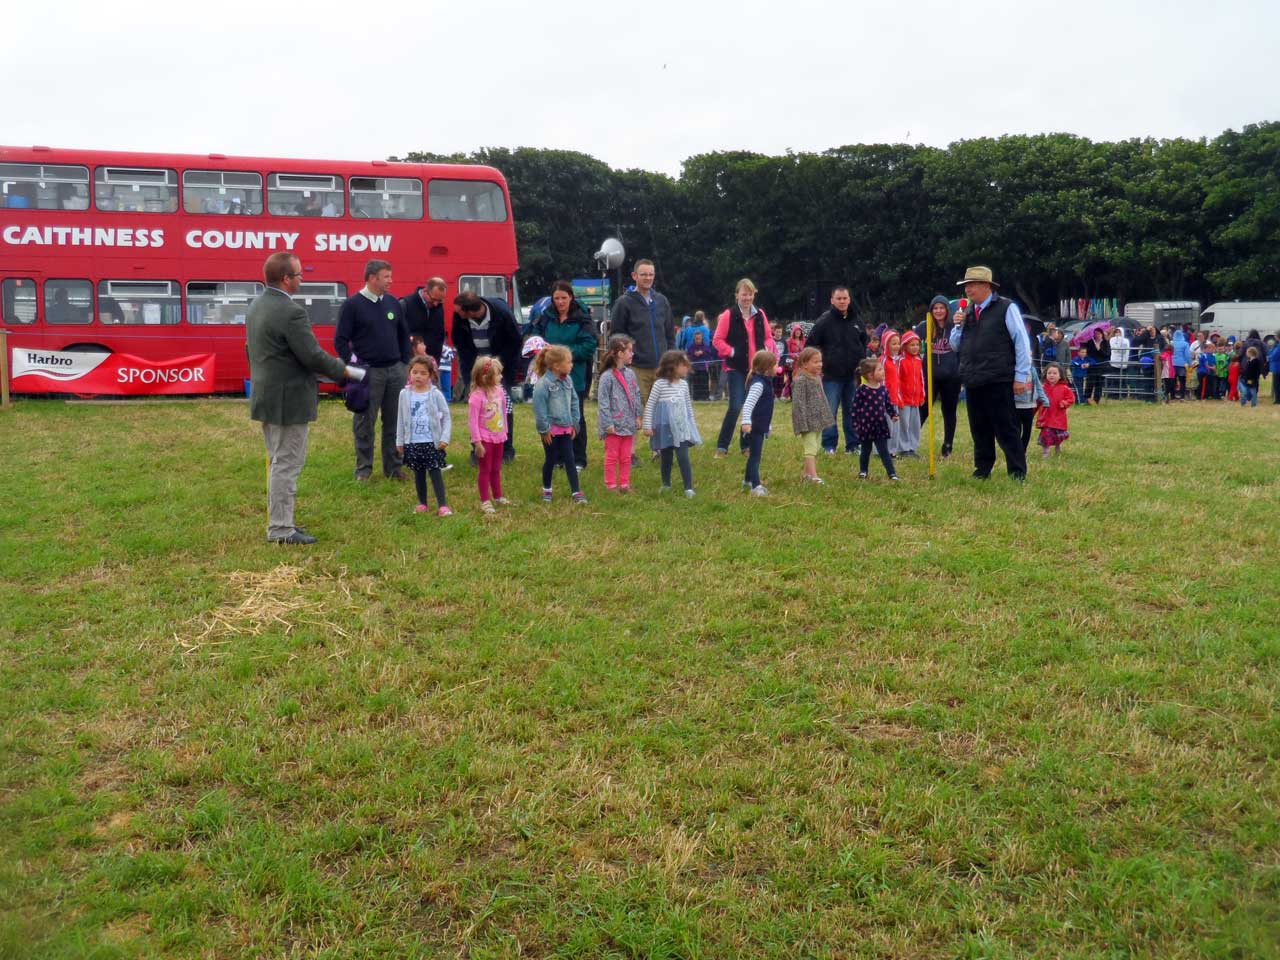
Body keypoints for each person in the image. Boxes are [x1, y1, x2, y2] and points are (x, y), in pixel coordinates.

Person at [246, 251, 360, 545]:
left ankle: (281, 520)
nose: (302, 279)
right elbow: (311, 355)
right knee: (287, 464)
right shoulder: (291, 311)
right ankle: (281, 529)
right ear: (286, 279)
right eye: (299, 275)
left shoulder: (257, 305)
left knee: (277, 461)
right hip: (289, 399)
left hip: (267, 395)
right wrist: (347, 371)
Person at [948, 266, 1034, 481]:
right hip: (973, 378)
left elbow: (1021, 342)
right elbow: (955, 345)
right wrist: (957, 326)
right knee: (979, 428)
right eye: (966, 285)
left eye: (972, 285)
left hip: (999, 377)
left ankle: (1017, 471)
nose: (967, 289)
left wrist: (1021, 376)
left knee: (1006, 427)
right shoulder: (967, 313)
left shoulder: (1006, 308)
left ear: (986, 286)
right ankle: (982, 468)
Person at [334, 259, 411, 481]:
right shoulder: (353, 305)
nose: (391, 280)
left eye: (390, 276)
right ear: (372, 278)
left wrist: (404, 363)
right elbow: (340, 340)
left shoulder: (393, 303)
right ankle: (364, 470)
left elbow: (403, 335)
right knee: (364, 422)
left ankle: (394, 468)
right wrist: (356, 364)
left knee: (394, 422)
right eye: (386, 276)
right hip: (369, 374)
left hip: (395, 371)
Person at [531, 281, 598, 471]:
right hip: (549, 377)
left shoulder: (583, 318)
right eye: (556, 298)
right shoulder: (545, 316)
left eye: (564, 298)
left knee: (575, 415)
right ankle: (556, 457)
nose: (560, 302)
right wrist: (539, 346)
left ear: (571, 298)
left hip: (574, 376)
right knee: (552, 416)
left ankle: (578, 458)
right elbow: (534, 335)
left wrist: (562, 355)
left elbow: (589, 345)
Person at [451, 289, 522, 461]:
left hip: (500, 367)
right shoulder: (461, 318)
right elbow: (461, 345)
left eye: (460, 312)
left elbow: (515, 342)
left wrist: (496, 365)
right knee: (477, 407)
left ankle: (505, 449)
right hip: (475, 366)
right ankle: (478, 448)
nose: (457, 314)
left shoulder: (502, 314)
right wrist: (471, 377)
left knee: (502, 407)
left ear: (471, 311)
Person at [712, 279, 776, 457]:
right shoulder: (728, 315)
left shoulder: (760, 314)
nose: (747, 297)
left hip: (756, 370)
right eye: (744, 294)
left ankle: (746, 446)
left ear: (754, 295)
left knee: (753, 406)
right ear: (737, 295)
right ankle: (722, 447)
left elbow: (769, 338)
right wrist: (731, 351)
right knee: (735, 406)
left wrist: (767, 349)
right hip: (736, 369)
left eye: (750, 294)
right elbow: (717, 340)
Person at [806, 286, 867, 455]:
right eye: (838, 298)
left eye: (845, 298)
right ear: (832, 300)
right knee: (830, 411)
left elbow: (864, 342)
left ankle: (853, 445)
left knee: (852, 410)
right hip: (831, 376)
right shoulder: (824, 321)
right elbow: (810, 344)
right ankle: (829, 445)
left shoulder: (856, 320)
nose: (842, 301)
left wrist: (861, 362)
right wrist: (817, 365)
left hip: (853, 375)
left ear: (849, 300)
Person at [609, 259, 674, 401]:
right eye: (644, 274)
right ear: (634, 276)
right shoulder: (624, 303)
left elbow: (669, 334)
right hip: (637, 368)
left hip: (661, 369)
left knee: (663, 413)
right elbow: (616, 336)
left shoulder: (662, 301)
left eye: (651, 274)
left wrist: (670, 360)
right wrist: (626, 360)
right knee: (639, 413)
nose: (648, 278)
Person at [395, 356, 452, 516]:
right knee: (418, 474)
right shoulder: (404, 395)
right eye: (415, 372)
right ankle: (422, 503)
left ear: (430, 376)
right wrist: (400, 441)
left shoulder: (436, 394)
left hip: (432, 443)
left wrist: (444, 438)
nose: (418, 376)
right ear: (409, 374)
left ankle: (442, 505)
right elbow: (400, 418)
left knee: (435, 473)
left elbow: (447, 417)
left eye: (423, 373)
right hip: (413, 443)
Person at [532, 345, 586, 504]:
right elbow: (539, 409)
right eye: (569, 362)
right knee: (551, 459)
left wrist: (575, 423)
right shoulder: (543, 384)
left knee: (570, 459)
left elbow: (575, 401)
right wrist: (544, 430)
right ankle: (547, 489)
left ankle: (576, 491)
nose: (572, 365)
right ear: (556, 365)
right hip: (551, 432)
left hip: (566, 429)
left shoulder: (568, 380)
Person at [642, 350, 700, 497]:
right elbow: (650, 405)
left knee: (683, 457)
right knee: (666, 457)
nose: (686, 368)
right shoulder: (659, 384)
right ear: (672, 366)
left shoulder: (684, 385)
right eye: (683, 365)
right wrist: (647, 425)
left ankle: (688, 487)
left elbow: (688, 407)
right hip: (664, 429)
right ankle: (666, 484)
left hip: (680, 429)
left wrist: (691, 425)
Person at [914, 295, 961, 458]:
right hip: (929, 376)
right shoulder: (924, 326)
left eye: (942, 308)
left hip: (951, 377)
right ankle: (910, 444)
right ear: (931, 310)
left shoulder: (954, 327)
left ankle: (948, 445)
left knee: (949, 411)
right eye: (935, 308)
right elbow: (910, 341)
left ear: (947, 310)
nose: (938, 311)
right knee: (922, 409)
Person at [597, 335, 643, 493]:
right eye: (629, 350)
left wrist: (638, 415)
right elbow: (603, 403)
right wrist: (607, 424)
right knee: (612, 457)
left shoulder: (631, 374)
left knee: (626, 457)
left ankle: (624, 484)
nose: (632, 354)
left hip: (628, 423)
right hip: (614, 426)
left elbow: (636, 395)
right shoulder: (606, 377)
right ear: (619, 353)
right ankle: (610, 485)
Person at [468, 357, 511, 514]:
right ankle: (485, 500)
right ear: (485, 377)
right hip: (485, 439)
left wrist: (504, 432)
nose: (501, 377)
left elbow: (503, 413)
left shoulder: (500, 391)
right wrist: (477, 443)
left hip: (498, 436)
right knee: (485, 469)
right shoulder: (476, 397)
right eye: (498, 374)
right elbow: (472, 422)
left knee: (496, 468)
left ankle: (498, 496)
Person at [790, 347, 835, 485]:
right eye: (815, 362)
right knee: (810, 449)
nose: (820, 364)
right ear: (804, 364)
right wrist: (802, 424)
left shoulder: (816, 378)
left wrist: (825, 417)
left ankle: (806, 475)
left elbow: (822, 400)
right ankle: (814, 476)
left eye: (820, 361)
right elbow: (798, 404)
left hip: (817, 421)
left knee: (814, 447)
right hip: (807, 423)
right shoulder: (801, 381)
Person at [852, 358, 899, 481]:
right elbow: (855, 408)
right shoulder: (862, 390)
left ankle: (892, 473)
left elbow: (888, 404)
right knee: (865, 451)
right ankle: (863, 471)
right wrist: (856, 424)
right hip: (866, 426)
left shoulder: (883, 389)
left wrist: (893, 414)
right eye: (880, 370)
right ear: (870, 375)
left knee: (884, 451)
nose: (883, 372)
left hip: (880, 426)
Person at [739, 350, 778, 496]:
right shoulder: (758, 384)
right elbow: (748, 404)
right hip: (753, 427)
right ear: (767, 367)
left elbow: (765, 408)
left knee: (754, 455)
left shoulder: (766, 382)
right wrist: (746, 422)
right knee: (755, 456)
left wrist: (768, 425)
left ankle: (747, 481)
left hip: (760, 426)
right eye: (775, 365)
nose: (777, 367)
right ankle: (756, 486)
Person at [401, 277, 447, 363]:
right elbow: (399, 332)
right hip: (409, 361)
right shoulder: (406, 304)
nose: (436, 304)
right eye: (433, 299)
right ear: (425, 291)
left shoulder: (438, 308)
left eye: (440, 301)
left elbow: (440, 334)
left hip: (431, 362)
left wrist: (436, 361)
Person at [896, 330, 925, 458]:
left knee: (915, 424)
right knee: (904, 424)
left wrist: (922, 395)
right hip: (904, 399)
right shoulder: (901, 360)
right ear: (905, 346)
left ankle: (913, 447)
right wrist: (899, 397)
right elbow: (897, 379)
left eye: (917, 345)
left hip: (915, 399)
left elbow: (921, 379)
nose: (915, 348)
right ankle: (904, 448)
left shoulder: (918, 360)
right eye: (912, 345)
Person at [1035, 363, 1074, 457]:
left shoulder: (1065, 388)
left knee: (1058, 435)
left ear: (1060, 375)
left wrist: (1064, 403)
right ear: (1045, 374)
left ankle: (1058, 446)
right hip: (1046, 417)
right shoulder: (1042, 388)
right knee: (1046, 435)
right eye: (1049, 373)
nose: (1051, 375)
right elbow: (1037, 401)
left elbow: (1071, 399)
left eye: (1054, 373)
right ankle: (1046, 452)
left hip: (1059, 418)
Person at [1014, 363, 1049, 453]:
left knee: (1027, 430)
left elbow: (1038, 385)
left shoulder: (1032, 370)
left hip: (1029, 406)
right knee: (1016, 429)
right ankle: (1016, 449)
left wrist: (1044, 399)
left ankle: (1023, 450)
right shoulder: (1013, 369)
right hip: (1015, 405)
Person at [881, 330, 904, 455]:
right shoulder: (884, 360)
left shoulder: (896, 361)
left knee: (895, 427)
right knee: (887, 425)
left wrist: (899, 397)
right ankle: (884, 450)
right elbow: (882, 380)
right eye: (893, 343)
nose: (896, 346)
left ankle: (893, 450)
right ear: (886, 344)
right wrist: (883, 398)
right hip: (886, 400)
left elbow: (897, 381)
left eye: (898, 343)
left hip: (895, 398)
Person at [687, 330, 717, 400]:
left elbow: (709, 355)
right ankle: (696, 397)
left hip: (704, 368)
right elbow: (688, 356)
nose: (698, 340)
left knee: (704, 383)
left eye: (699, 338)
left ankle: (705, 397)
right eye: (696, 339)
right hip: (695, 369)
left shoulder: (706, 347)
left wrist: (702, 353)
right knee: (696, 384)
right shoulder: (691, 347)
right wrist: (694, 354)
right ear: (694, 338)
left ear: (702, 338)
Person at [1083, 327, 1110, 405]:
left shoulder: (1105, 342)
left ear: (1102, 334)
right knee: (1090, 383)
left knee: (1099, 384)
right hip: (1092, 366)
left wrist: (1099, 349)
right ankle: (1087, 399)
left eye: (1099, 334)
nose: (1097, 335)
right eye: (1095, 334)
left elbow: (1107, 354)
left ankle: (1096, 400)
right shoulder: (1090, 342)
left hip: (1102, 366)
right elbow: (1087, 352)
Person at [1110, 326, 1131, 397]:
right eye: (1116, 332)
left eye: (1119, 332)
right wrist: (1118, 346)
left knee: (1122, 379)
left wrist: (1119, 345)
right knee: (1114, 379)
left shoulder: (1126, 340)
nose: (1118, 333)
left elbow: (1124, 351)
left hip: (1123, 363)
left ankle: (1123, 394)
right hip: (1114, 362)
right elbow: (1114, 349)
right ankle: (1114, 395)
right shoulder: (1112, 339)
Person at [1172, 327, 1191, 400]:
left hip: (1172, 364)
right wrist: (1190, 363)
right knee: (1182, 381)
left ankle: (1173, 396)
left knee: (1173, 380)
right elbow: (1187, 355)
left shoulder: (1171, 343)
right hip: (1182, 365)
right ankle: (1182, 396)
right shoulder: (1185, 344)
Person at [1269, 336, 1280, 404]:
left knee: (1276, 384)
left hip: (1277, 368)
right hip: (1276, 367)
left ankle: (1278, 399)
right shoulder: (1277, 346)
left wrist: (1269, 357)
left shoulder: (1278, 347)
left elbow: (1274, 356)